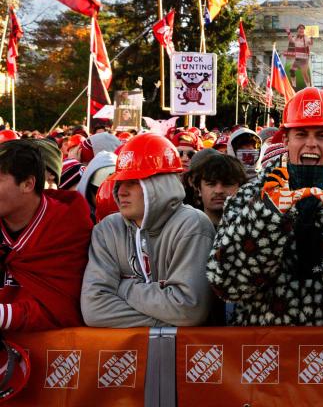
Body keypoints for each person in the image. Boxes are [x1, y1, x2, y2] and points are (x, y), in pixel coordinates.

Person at [208, 87, 323, 326]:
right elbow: (227, 285)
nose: (311, 144)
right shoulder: (250, 195)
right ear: (286, 140)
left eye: (322, 135)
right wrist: (267, 216)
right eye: (301, 134)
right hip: (260, 348)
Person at [81, 133, 216, 327]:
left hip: (186, 354)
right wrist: (167, 319)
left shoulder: (191, 225)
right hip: (124, 355)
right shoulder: (107, 230)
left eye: (134, 182)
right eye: (120, 183)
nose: (121, 191)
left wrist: (124, 287)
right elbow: (94, 310)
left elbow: (188, 309)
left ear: (160, 184)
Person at [0, 140, 92, 331]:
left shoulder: (68, 225)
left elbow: (64, 309)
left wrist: (4, 315)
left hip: (52, 356)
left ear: (28, 184)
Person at [184, 151, 247, 227]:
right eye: (211, 184)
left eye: (227, 184)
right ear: (199, 189)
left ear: (240, 187)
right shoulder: (186, 228)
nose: (219, 191)